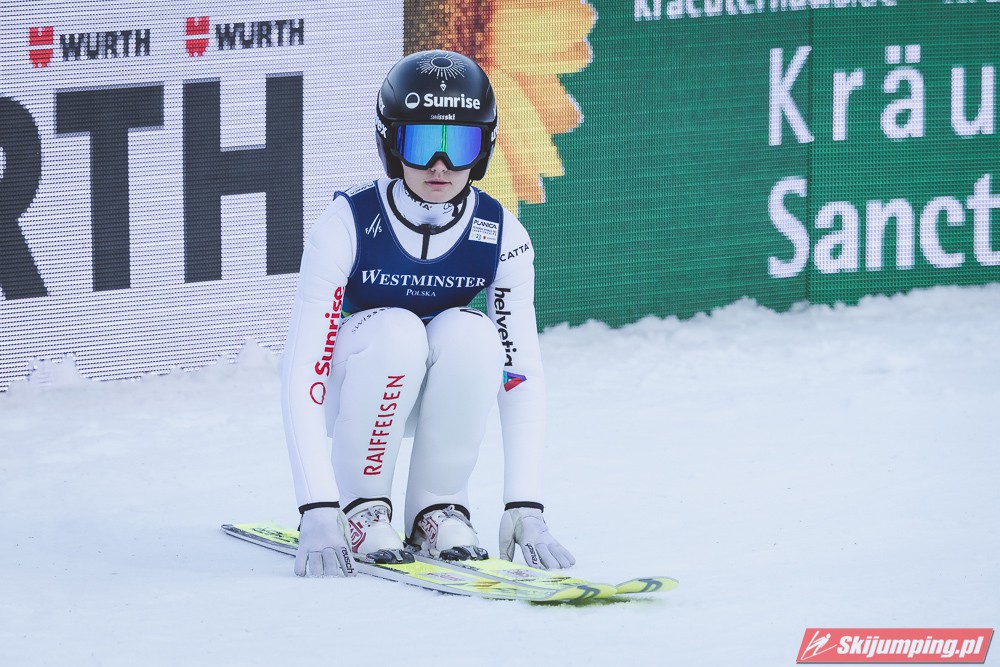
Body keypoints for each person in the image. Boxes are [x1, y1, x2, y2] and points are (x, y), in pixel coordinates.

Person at [280, 49, 575, 577]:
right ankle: (361, 509)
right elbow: (304, 370)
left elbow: (520, 375)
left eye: (459, 145)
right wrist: (318, 506)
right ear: (391, 144)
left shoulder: (503, 235)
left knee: (473, 333)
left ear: (483, 149)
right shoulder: (345, 224)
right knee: (396, 330)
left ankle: (437, 509)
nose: (440, 166)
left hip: (441, 394)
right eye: (421, 144)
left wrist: (525, 505)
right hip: (349, 391)